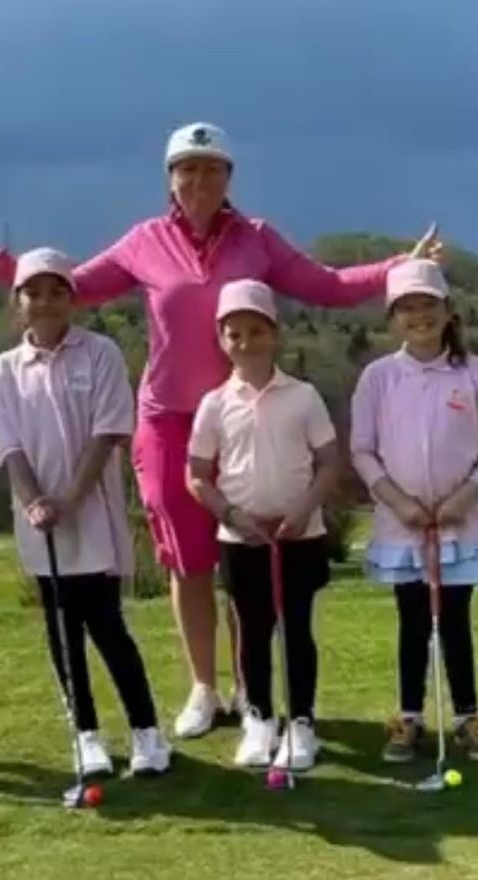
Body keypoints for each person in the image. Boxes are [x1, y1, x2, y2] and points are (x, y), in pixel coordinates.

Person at [0, 121, 442, 738]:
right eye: (187, 168)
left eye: (212, 168)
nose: (200, 179)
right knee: (189, 562)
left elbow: (328, 285)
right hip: (167, 421)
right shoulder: (145, 240)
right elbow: (71, 287)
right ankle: (204, 688)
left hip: (241, 417)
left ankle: (249, 689)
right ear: (170, 179)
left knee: (242, 558)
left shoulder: (257, 239)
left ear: (229, 177)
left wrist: (404, 268)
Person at [0, 247, 172, 776]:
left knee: (107, 626)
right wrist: (35, 501)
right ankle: (86, 734)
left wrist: (70, 499)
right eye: (33, 293)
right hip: (39, 521)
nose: (45, 302)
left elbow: (107, 432)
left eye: (56, 292)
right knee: (61, 632)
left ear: (73, 299)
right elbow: (9, 446)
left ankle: (147, 732)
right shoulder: (5, 369)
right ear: (18, 301)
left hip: (92, 516)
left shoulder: (100, 353)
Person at [349, 259, 478, 764]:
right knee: (413, 621)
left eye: (428, 305)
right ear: (393, 317)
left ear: (448, 311)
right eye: (407, 307)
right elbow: (362, 450)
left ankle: (468, 718)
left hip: (461, 523)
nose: (419, 315)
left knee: (456, 621)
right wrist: (399, 502)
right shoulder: (378, 377)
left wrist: (465, 496)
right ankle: (409, 719)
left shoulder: (476, 373)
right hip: (403, 526)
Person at [187, 279, 338, 771]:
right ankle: (258, 718)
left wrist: (304, 508)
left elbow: (329, 463)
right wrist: (231, 515)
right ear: (221, 340)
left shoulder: (304, 396)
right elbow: (197, 475)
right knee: (251, 631)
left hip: (300, 533)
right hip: (241, 537)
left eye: (256, 331)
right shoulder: (214, 404)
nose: (246, 342)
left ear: (274, 334)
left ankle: (301, 723)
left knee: (296, 630)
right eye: (234, 334)